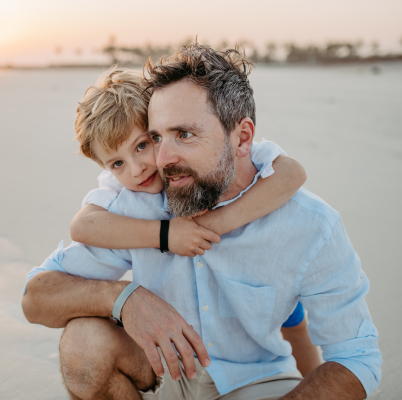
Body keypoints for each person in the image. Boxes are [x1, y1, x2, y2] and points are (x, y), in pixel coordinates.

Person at [22, 44, 381, 400]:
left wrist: (222, 221)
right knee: (84, 341)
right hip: (166, 373)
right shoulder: (137, 203)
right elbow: (37, 297)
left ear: (242, 138)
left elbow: (357, 359)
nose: (159, 160)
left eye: (185, 135)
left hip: (254, 382)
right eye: (157, 137)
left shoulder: (308, 224)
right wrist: (124, 298)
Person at [68, 67, 320, 376]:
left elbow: (292, 172)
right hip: (196, 302)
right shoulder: (122, 191)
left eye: (143, 145)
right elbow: (83, 226)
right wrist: (166, 235)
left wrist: (217, 222)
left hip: (255, 261)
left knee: (293, 324)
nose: (136, 170)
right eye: (117, 163)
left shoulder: (207, 153)